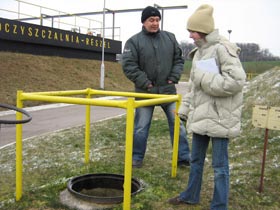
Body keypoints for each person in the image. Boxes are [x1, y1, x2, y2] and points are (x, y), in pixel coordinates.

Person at [168, 4, 246, 210]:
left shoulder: (223, 48)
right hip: (201, 116)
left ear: (203, 30)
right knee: (195, 161)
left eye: (192, 31)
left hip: (220, 117)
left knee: (220, 167)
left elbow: (236, 82)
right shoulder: (199, 52)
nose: (190, 36)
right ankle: (191, 195)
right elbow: (194, 87)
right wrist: (184, 109)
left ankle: (219, 206)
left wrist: (204, 77)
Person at [122, 6, 191, 168]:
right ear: (143, 22)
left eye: (157, 20)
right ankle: (137, 157)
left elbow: (179, 60)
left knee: (178, 124)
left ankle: (183, 158)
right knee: (140, 127)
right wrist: (146, 83)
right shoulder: (133, 42)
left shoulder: (170, 38)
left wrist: (173, 78)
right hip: (145, 94)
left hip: (168, 94)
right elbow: (129, 65)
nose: (155, 23)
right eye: (151, 20)